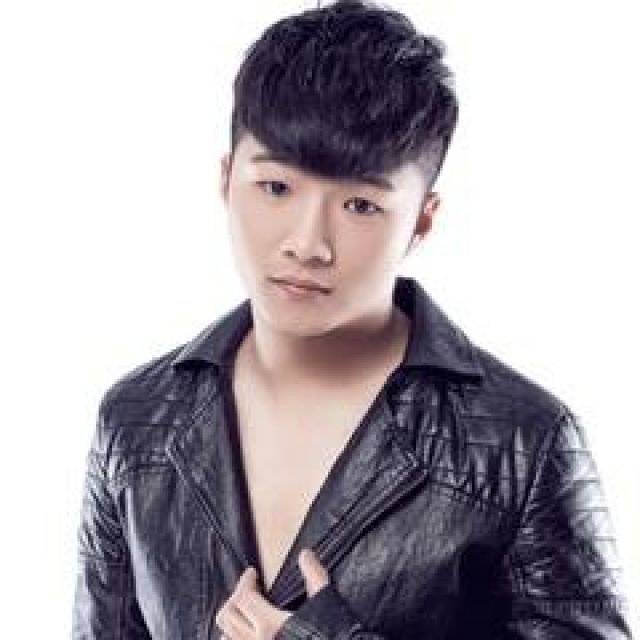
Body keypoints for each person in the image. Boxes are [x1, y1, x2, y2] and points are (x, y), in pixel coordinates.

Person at [71, 0, 634, 638]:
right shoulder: (135, 421)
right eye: (276, 188)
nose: (307, 243)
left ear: (422, 220)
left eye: (361, 205)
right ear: (227, 180)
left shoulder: (524, 441)